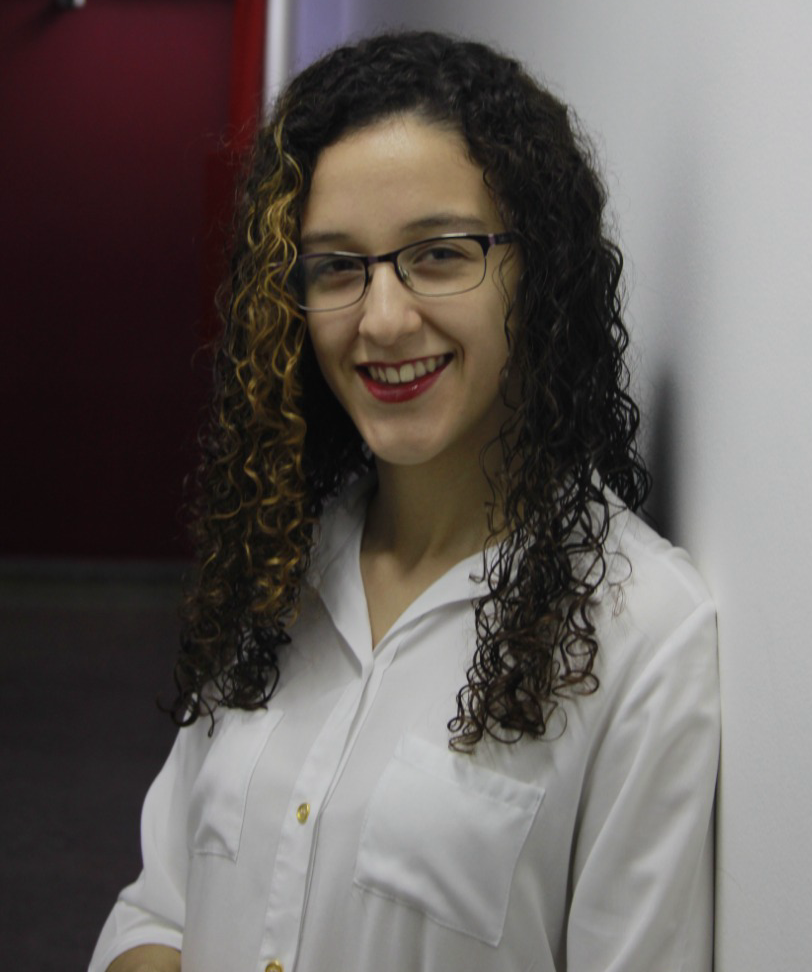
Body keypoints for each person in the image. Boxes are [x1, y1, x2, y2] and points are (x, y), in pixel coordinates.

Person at [89, 30, 720, 972]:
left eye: (439, 255)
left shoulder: (643, 632)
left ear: (538, 269)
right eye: (337, 266)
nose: (382, 320)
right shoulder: (281, 562)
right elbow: (161, 907)